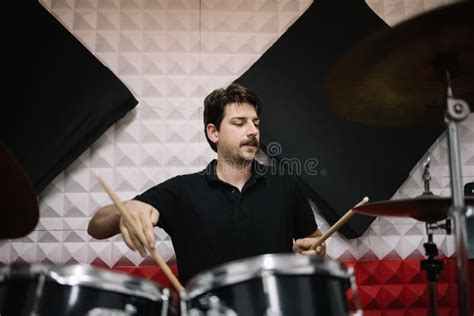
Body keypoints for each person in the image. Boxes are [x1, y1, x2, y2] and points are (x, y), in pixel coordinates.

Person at [88, 83, 326, 284]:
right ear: (214, 132)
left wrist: (316, 249)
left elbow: (314, 240)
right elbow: (96, 227)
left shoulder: (285, 184)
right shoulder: (182, 191)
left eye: (256, 123)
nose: (253, 131)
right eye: (240, 122)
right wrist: (127, 209)